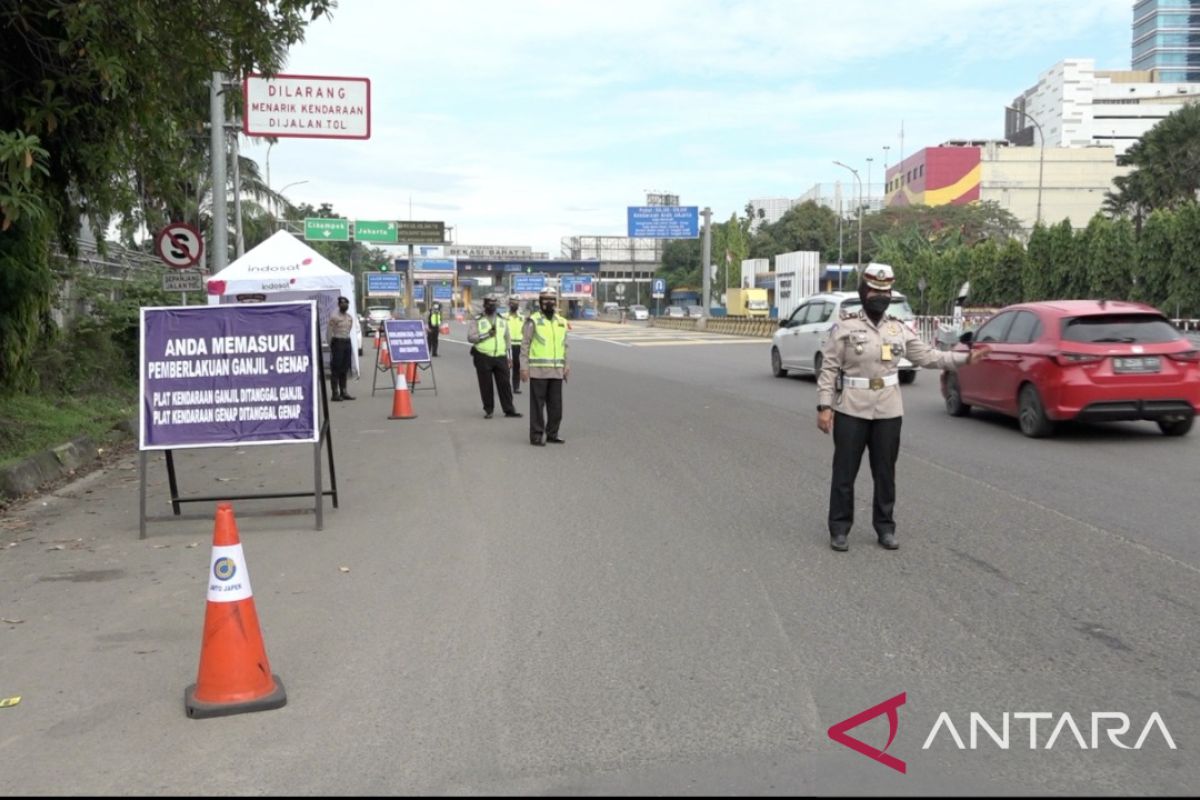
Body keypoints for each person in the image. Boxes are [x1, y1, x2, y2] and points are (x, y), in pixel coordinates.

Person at [816, 264, 989, 552]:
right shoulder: (845, 327)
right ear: (863, 292)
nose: (879, 296)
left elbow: (928, 357)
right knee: (844, 473)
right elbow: (829, 368)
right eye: (874, 291)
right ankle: (839, 528)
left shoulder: (898, 328)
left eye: (885, 292)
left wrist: (965, 359)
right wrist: (824, 405)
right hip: (851, 408)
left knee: (885, 473)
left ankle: (885, 527)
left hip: (888, 410)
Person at [520, 290, 569, 446]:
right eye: (546, 300)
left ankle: (552, 433)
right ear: (540, 302)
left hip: (556, 371)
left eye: (552, 300)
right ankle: (536, 435)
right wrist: (524, 368)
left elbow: (564, 345)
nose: (549, 303)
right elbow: (525, 345)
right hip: (538, 370)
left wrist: (566, 365)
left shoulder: (561, 321)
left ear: (556, 302)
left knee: (556, 406)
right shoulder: (533, 320)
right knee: (537, 406)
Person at [468, 294, 522, 420]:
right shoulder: (477, 319)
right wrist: (486, 335)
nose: (492, 306)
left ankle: (509, 409)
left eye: (494, 304)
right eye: (489, 303)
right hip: (483, 356)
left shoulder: (502, 320)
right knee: (485, 385)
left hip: (500, 356)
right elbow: (470, 337)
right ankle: (489, 409)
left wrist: (509, 357)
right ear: (484, 305)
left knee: (505, 384)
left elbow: (507, 340)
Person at [327, 296, 356, 402]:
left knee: (344, 368)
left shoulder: (349, 317)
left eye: (346, 303)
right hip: (337, 342)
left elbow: (349, 329)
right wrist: (331, 345)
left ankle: (344, 391)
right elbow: (329, 332)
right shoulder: (334, 317)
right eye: (342, 303)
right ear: (338, 305)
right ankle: (335, 393)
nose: (344, 305)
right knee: (336, 369)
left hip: (346, 342)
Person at [505, 299, 526, 395]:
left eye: (516, 304)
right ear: (509, 305)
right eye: (513, 303)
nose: (515, 305)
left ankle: (516, 387)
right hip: (508, 345)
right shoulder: (504, 317)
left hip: (519, 345)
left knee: (517, 367)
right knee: (506, 367)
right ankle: (506, 387)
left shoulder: (522, 318)